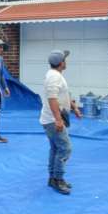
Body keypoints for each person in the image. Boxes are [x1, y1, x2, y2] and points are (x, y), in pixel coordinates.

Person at [41, 49, 81, 195]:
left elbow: (62, 95)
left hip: (52, 119)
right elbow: (52, 99)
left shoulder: (56, 75)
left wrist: (74, 107)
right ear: (61, 63)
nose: (66, 61)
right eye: (65, 59)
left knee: (56, 149)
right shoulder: (54, 77)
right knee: (65, 148)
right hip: (53, 121)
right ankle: (58, 179)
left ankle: (52, 178)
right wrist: (58, 120)